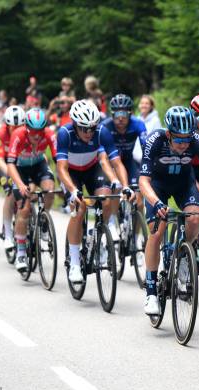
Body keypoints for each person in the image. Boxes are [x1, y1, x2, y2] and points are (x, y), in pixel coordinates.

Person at [139, 106, 199, 315]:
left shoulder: (198, 141)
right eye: (179, 140)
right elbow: (143, 180)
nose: (184, 145)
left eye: (187, 139)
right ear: (169, 134)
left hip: (184, 184)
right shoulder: (155, 140)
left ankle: (184, 257)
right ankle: (150, 292)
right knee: (157, 232)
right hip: (157, 186)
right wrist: (156, 203)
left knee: (194, 219)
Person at [56, 100, 132, 283]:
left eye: (92, 128)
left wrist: (124, 184)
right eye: (84, 129)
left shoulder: (101, 133)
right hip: (71, 172)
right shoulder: (65, 133)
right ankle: (74, 262)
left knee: (106, 200)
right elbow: (61, 168)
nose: (88, 133)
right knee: (79, 207)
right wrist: (73, 190)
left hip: (91, 169)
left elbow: (115, 162)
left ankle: (96, 234)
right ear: (75, 124)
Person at [6, 108, 57, 272]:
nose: (36, 135)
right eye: (33, 131)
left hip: (39, 166)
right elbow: (10, 164)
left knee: (50, 190)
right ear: (27, 128)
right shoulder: (18, 135)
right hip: (20, 169)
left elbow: (59, 161)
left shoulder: (49, 135)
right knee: (25, 208)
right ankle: (21, 252)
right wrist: (20, 184)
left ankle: (43, 223)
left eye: (40, 131)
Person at [100, 93, 147, 239]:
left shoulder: (138, 124)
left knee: (139, 202)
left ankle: (137, 237)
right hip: (110, 163)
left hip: (128, 162)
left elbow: (147, 150)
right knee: (115, 189)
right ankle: (113, 221)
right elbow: (102, 157)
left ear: (130, 113)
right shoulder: (105, 126)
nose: (121, 118)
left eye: (124, 113)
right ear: (112, 114)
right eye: (117, 113)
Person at [0, 105, 26, 250]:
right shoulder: (0, 133)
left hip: (22, 164)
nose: (17, 129)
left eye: (20, 126)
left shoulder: (26, 132)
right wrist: (10, 172)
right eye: (14, 127)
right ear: (7, 125)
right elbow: (0, 159)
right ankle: (7, 234)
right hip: (6, 167)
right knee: (10, 194)